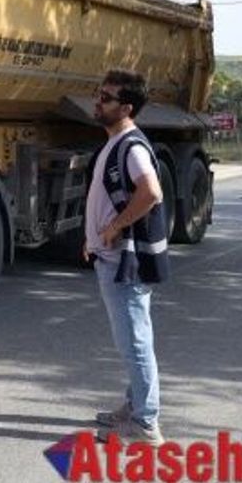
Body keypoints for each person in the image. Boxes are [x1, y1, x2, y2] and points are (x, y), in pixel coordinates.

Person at [82, 69, 171, 446]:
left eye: (107, 97)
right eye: (99, 93)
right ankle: (135, 405)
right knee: (134, 339)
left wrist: (114, 227)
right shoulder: (115, 142)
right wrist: (93, 237)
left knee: (134, 342)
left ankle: (146, 424)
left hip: (124, 261)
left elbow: (151, 192)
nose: (98, 101)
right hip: (111, 255)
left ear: (127, 107)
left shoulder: (130, 147)